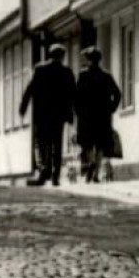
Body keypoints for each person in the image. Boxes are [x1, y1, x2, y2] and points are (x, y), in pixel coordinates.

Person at [19, 43, 75, 186]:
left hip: (42, 114)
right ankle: (55, 176)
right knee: (57, 145)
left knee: (42, 143)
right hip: (59, 116)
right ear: (62, 56)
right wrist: (71, 114)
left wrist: (23, 107)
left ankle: (44, 171)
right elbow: (72, 95)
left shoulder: (40, 69)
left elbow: (29, 89)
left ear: (50, 55)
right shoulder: (67, 72)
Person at [74, 47, 122, 184]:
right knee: (100, 144)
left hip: (87, 116)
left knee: (88, 143)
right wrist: (111, 108)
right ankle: (95, 173)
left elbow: (76, 97)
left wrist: (78, 111)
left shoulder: (83, 76)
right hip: (102, 115)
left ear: (89, 60)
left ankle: (91, 163)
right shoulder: (106, 76)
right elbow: (117, 94)